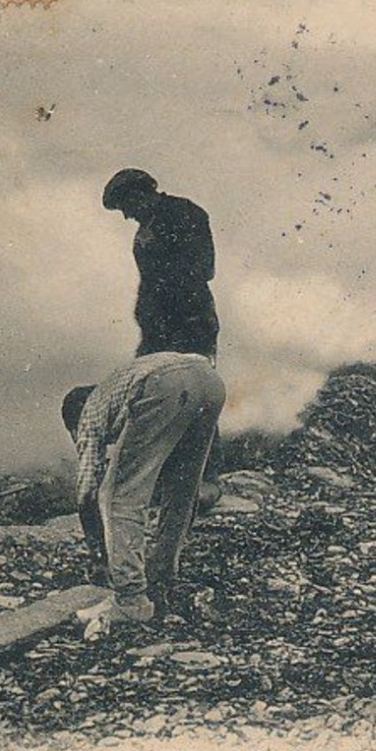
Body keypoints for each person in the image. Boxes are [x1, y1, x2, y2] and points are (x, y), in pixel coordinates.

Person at [61, 351, 225, 635]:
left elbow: (88, 491)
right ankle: (161, 576)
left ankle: (131, 599)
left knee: (117, 498)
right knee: (182, 489)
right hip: (208, 379)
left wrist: (99, 554)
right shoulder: (115, 393)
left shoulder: (89, 412)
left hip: (164, 384)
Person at [102, 168, 223, 501]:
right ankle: (168, 477)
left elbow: (203, 269)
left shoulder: (186, 214)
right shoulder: (144, 231)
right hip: (157, 331)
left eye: (126, 205)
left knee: (197, 396)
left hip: (190, 323)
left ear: (143, 193)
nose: (126, 215)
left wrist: (165, 296)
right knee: (154, 398)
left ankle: (207, 478)